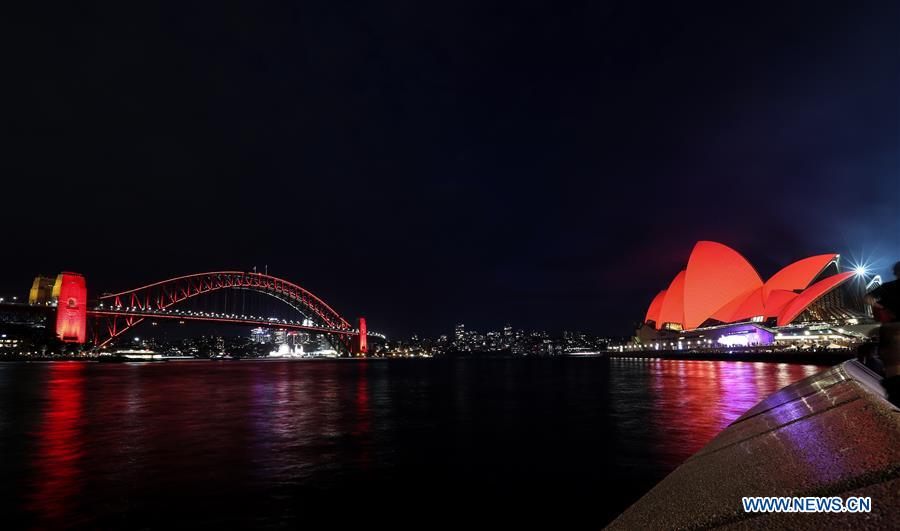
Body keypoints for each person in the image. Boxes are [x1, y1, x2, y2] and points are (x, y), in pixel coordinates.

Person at [864, 261, 900, 406]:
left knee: (893, 366)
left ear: (895, 272)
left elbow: (867, 298)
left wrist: (879, 307)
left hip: (892, 327)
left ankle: (895, 399)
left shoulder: (888, 286)